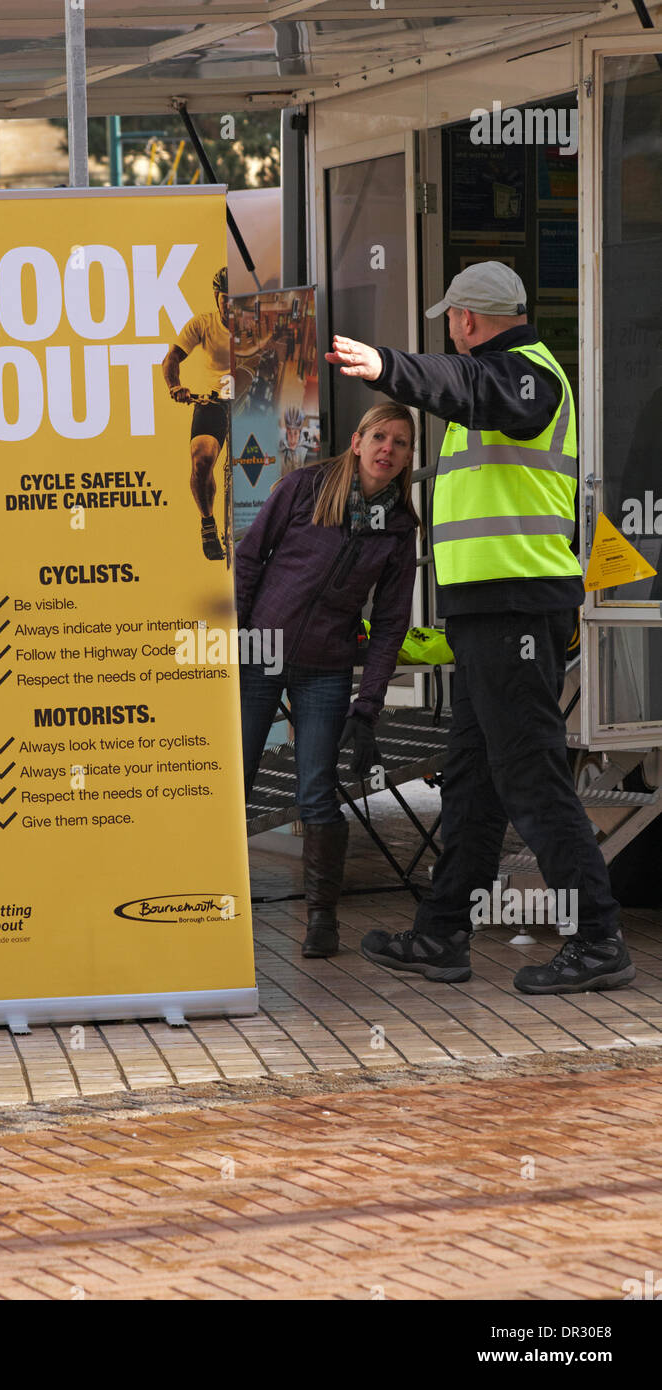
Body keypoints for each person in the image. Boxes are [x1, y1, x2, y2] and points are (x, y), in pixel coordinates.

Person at [326, 259, 635, 996]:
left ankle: (598, 938)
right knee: (473, 778)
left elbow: (472, 389)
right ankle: (441, 935)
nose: (453, 334)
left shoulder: (528, 376)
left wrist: (390, 368)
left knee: (530, 774)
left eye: (453, 321)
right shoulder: (490, 387)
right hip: (484, 613)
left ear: (467, 319)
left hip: (518, 609)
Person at [235, 404, 420, 958]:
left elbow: (390, 623)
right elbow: (248, 561)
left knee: (316, 791)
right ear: (358, 440)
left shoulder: (401, 526)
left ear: (409, 457)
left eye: (402, 443)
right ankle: (217, 904)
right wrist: (235, 639)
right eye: (380, 436)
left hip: (325, 669)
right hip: (258, 656)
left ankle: (322, 920)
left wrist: (368, 707)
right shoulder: (305, 488)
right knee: (233, 785)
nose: (388, 449)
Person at [162, 267, 231, 561]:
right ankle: (207, 521)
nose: (230, 306)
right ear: (217, 298)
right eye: (226, 299)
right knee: (202, 459)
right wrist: (175, 386)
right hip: (212, 402)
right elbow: (172, 358)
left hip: (251, 403)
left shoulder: (260, 324)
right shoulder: (204, 324)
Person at [278, 405, 309, 475]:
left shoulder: (305, 451)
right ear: (286, 432)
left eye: (295, 433)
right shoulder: (280, 451)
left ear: (300, 433)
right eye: (289, 433)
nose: (292, 439)